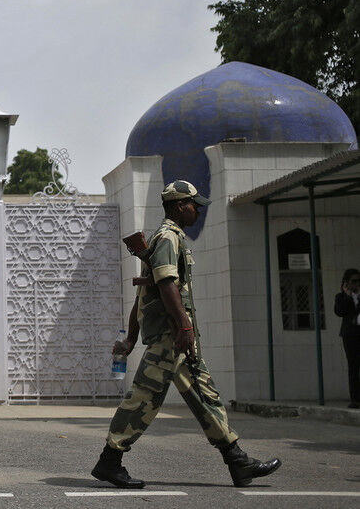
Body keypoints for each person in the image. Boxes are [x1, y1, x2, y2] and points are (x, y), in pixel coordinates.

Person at [91, 180, 281, 489]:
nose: (197, 210)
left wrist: (133, 338)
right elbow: (165, 286)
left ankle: (237, 461)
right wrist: (184, 327)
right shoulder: (167, 238)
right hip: (171, 337)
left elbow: (145, 292)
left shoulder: (167, 239)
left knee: (204, 396)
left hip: (177, 338)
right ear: (180, 206)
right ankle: (109, 461)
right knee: (143, 398)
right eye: (194, 205)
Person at [334, 268, 360, 409]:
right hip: (350, 335)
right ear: (347, 283)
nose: (357, 284)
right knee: (353, 366)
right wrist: (348, 296)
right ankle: (355, 398)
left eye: (359, 281)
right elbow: (340, 311)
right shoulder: (341, 297)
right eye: (354, 281)